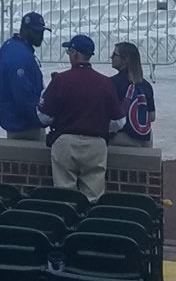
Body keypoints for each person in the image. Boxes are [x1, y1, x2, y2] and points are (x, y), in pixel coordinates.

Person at [38, 34, 124, 201]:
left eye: (69, 52)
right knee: (93, 199)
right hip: (96, 144)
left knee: (65, 198)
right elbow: (118, 122)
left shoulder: (61, 80)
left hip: (65, 142)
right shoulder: (105, 82)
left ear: (75, 53)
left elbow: (44, 117)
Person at [0, 12, 47, 141]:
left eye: (42, 32)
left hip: (17, 121)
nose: (41, 36)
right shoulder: (19, 56)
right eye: (37, 32)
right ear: (26, 30)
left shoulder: (11, 45)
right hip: (24, 126)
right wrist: (41, 119)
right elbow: (22, 95)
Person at [108, 42, 155, 147]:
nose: (111, 57)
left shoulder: (112, 83)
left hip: (120, 138)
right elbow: (152, 116)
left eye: (115, 55)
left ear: (125, 60)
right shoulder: (146, 85)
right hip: (144, 139)